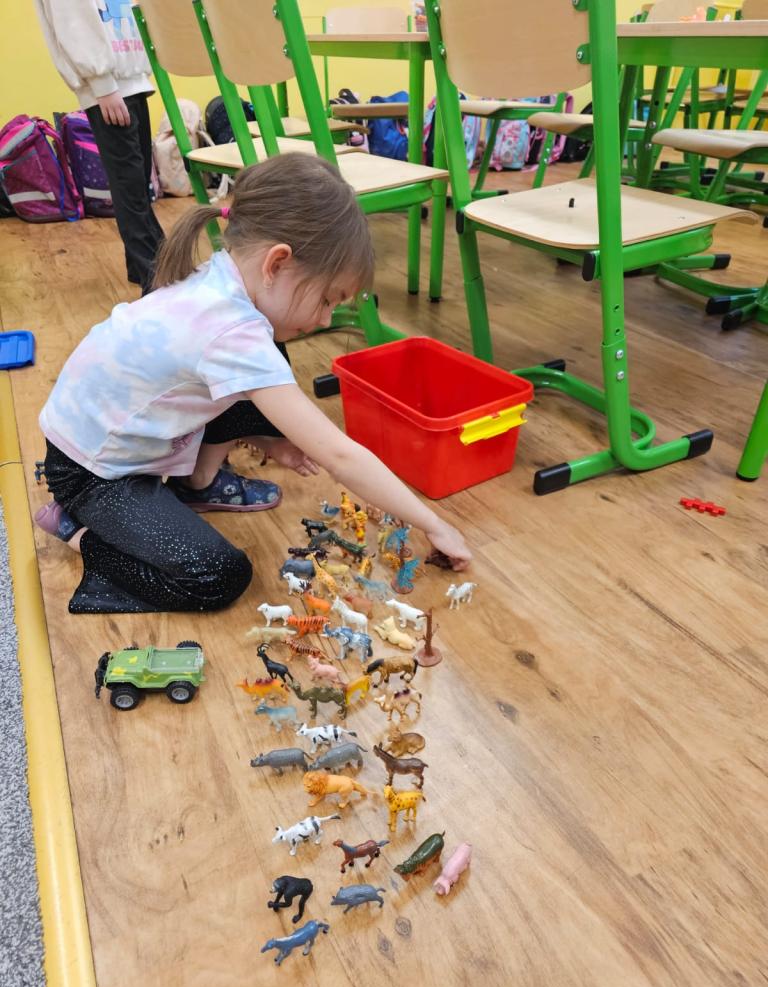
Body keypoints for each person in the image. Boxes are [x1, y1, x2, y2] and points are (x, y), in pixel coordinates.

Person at [35, 154, 471, 614]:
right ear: (277, 262)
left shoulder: (220, 280)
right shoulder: (233, 333)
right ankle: (77, 531)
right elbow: (341, 456)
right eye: (328, 300)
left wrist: (271, 441)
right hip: (92, 476)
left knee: (271, 371)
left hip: (102, 439)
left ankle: (197, 481)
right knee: (218, 576)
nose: (326, 319)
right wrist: (433, 524)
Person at [33, 0, 164, 292]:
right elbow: (72, 21)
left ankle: (142, 267)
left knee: (138, 180)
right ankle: (154, 276)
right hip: (109, 88)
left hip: (130, 79)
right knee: (129, 184)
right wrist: (102, 85)